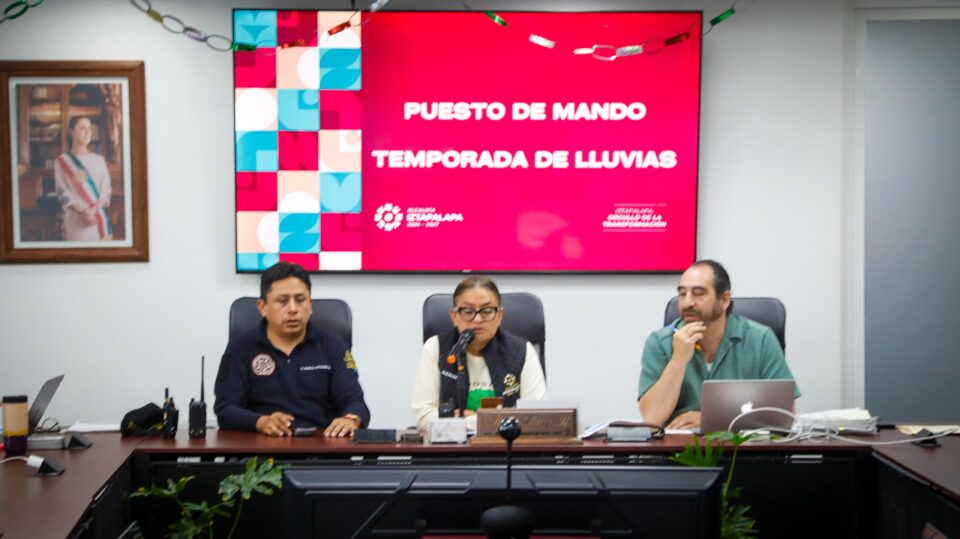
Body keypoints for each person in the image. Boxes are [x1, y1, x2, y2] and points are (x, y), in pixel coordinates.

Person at [637, 260, 800, 430]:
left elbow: (786, 412)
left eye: (698, 294)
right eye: (682, 294)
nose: (687, 303)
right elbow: (652, 418)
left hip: (742, 444)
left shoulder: (760, 339)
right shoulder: (660, 342)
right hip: (678, 444)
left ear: (724, 300)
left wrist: (711, 418)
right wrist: (678, 360)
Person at [214, 262, 370, 437]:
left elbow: (354, 401)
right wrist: (260, 422)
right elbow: (225, 409)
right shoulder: (240, 348)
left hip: (320, 445)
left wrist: (351, 419)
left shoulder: (334, 347)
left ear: (310, 304)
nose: (293, 309)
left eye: (300, 300)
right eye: (283, 301)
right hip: (261, 446)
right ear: (262, 307)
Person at [411, 277, 547, 432]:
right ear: (454, 316)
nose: (477, 319)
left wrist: (464, 419)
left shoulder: (522, 350)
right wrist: (495, 418)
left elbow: (536, 416)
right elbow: (423, 417)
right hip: (451, 445)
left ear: (500, 315)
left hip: (506, 443)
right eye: (468, 311)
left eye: (487, 311)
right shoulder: (436, 347)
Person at [53, 116, 113, 241]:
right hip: (76, 219)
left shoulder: (99, 160)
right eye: (82, 128)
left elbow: (106, 189)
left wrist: (92, 211)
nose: (87, 132)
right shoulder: (62, 161)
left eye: (90, 129)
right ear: (71, 132)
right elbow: (62, 191)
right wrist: (83, 212)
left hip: (97, 217)